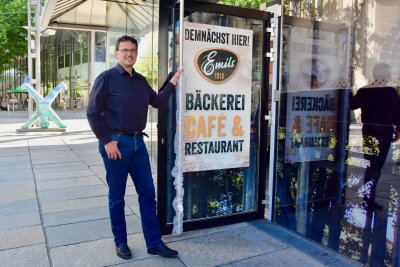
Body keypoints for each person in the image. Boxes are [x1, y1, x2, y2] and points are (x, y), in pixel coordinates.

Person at [87, 35, 182, 260]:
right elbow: (92, 112)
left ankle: (154, 242)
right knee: (117, 196)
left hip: (139, 144)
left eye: (133, 50)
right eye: (125, 50)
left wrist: (173, 81)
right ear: (116, 53)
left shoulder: (140, 80)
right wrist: (106, 141)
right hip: (116, 144)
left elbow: (157, 101)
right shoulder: (106, 78)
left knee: (148, 194)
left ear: (136, 53)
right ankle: (121, 242)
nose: (129, 54)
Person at [351, 63, 400, 211]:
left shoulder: (390, 91)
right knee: (372, 167)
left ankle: (369, 198)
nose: (389, 76)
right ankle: (368, 199)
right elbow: (353, 104)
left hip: (384, 135)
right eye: (387, 73)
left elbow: (397, 111)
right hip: (371, 133)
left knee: (376, 168)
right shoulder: (365, 91)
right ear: (379, 75)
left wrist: (397, 129)